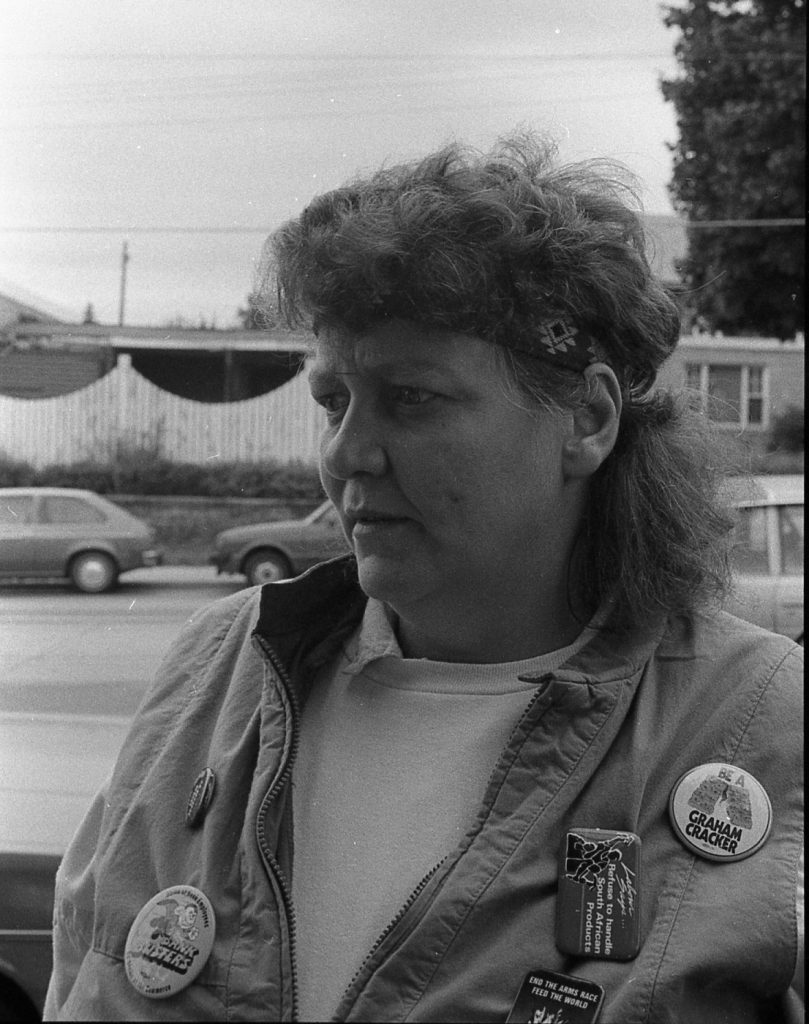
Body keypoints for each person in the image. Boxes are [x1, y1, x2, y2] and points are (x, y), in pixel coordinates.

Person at [44, 133, 802, 1023]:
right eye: (333, 402)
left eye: (413, 398)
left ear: (585, 420)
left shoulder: (754, 722)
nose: (346, 453)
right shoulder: (213, 665)